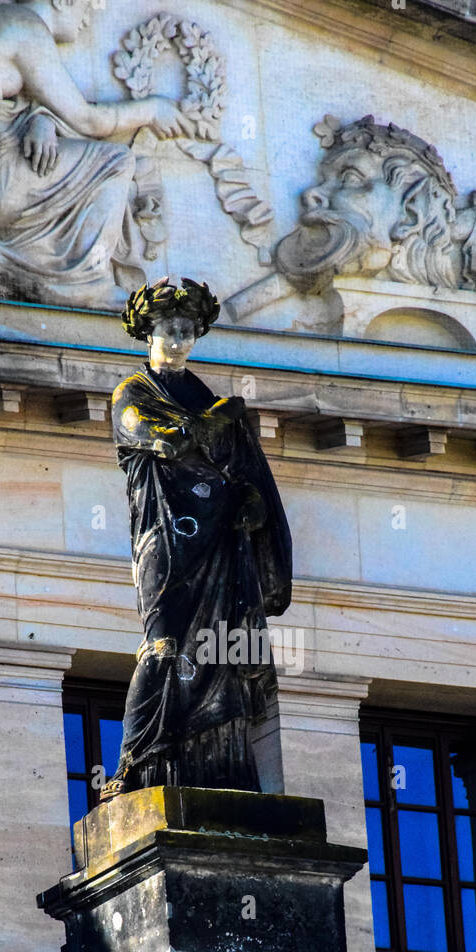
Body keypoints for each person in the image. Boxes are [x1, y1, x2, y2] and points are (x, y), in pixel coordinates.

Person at [100, 276, 292, 799]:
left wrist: (251, 501)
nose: (179, 340)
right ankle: (136, 762)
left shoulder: (207, 397)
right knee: (162, 645)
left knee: (222, 652)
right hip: (167, 539)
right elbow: (167, 439)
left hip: (219, 545)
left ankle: (219, 768)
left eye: (188, 330)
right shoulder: (132, 394)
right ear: (149, 333)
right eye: (169, 330)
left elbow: (243, 474)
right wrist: (219, 419)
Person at [0, 0, 190, 303]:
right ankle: (92, 281)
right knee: (116, 162)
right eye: (89, 5)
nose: (90, 17)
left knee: (44, 246)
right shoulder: (25, 28)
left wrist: (39, 119)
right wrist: (150, 110)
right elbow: (87, 120)